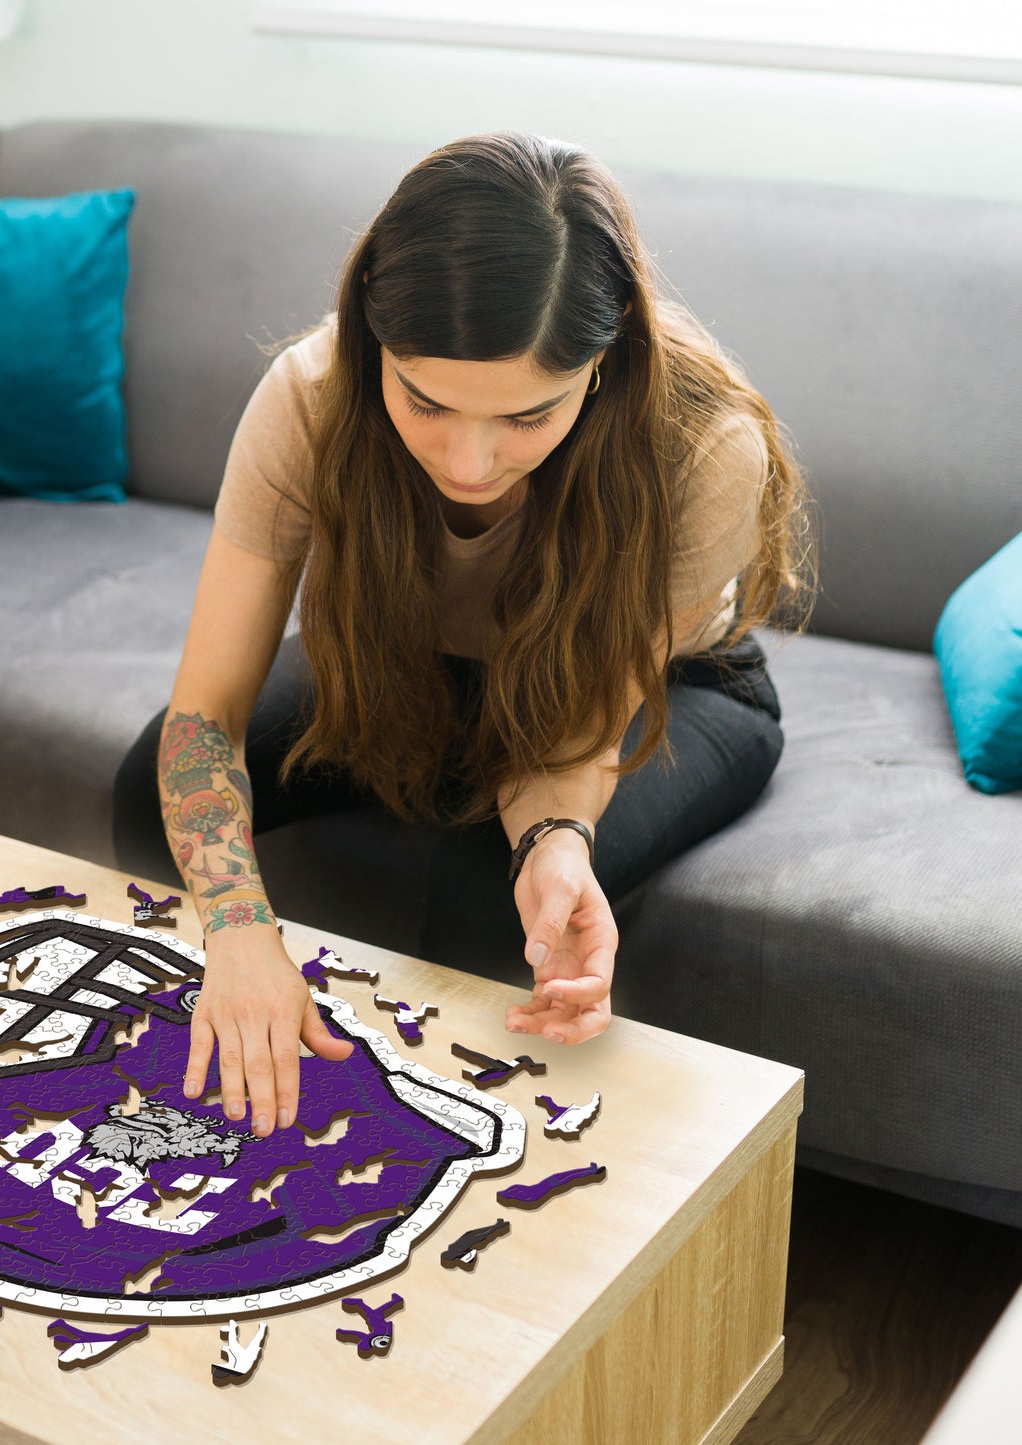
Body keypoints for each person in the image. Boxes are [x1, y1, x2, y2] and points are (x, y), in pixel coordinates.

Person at [111, 131, 811, 1145]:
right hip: (415, 667)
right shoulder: (311, 395)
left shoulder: (701, 447)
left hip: (676, 685)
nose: (469, 461)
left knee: (492, 890)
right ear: (370, 337)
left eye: (527, 416)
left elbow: (572, 729)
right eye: (423, 402)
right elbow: (202, 715)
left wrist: (555, 842)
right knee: (149, 789)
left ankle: (416, 1156)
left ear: (606, 350)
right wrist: (236, 928)